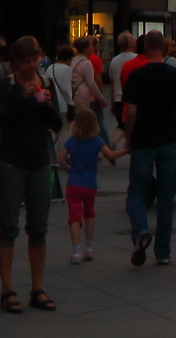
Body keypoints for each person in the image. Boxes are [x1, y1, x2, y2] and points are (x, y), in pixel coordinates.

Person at [0, 35, 63, 311]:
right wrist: (24, 98)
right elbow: (0, 121)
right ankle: (7, 290)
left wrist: (46, 103)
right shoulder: (7, 86)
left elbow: (56, 123)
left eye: (36, 59)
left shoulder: (46, 82)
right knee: (8, 227)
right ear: (16, 62)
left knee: (38, 228)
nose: (33, 65)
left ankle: (37, 288)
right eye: (28, 60)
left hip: (39, 160)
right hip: (12, 161)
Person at [118, 30, 176, 267]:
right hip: (170, 139)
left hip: (143, 140)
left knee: (137, 191)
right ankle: (163, 252)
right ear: (164, 48)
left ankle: (140, 230)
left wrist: (129, 138)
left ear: (146, 47)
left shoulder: (138, 75)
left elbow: (130, 112)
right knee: (166, 196)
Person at [58, 104, 118, 267]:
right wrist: (127, 150)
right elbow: (110, 154)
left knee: (75, 219)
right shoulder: (97, 141)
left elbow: (61, 158)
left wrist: (68, 168)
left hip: (74, 184)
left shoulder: (71, 141)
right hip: (90, 184)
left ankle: (76, 251)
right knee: (89, 214)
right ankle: (89, 247)